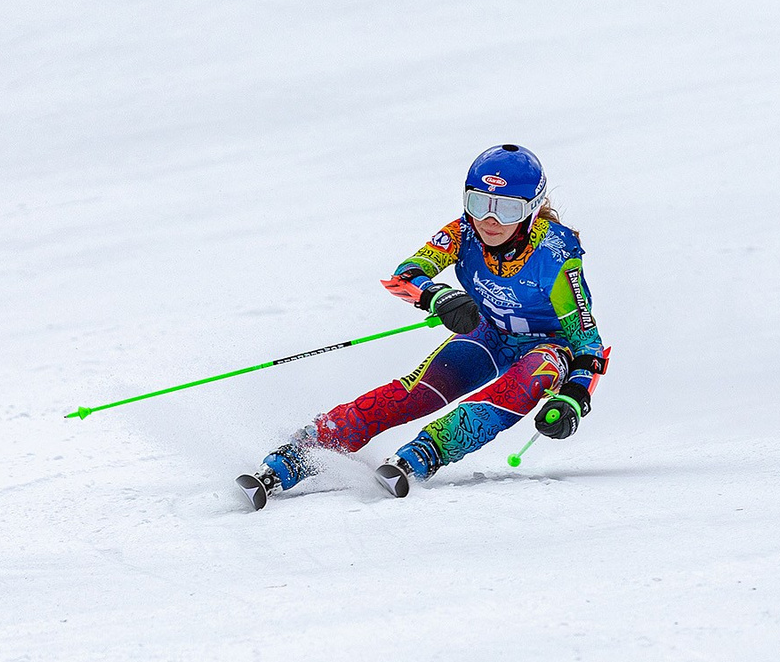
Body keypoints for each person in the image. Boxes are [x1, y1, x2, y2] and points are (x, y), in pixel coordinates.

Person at [239, 145, 609, 506]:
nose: (490, 221)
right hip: (490, 332)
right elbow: (407, 274)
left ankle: (423, 454)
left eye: (508, 209)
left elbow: (587, 340)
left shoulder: (554, 254)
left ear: (531, 211)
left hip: (550, 347)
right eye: (479, 203)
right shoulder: (463, 233)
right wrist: (436, 295)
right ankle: (299, 453)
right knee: (413, 393)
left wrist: (575, 396)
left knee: (526, 377)